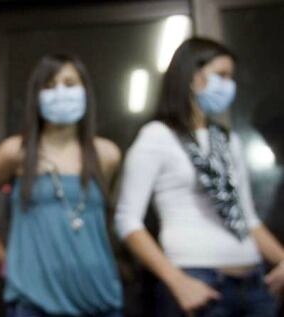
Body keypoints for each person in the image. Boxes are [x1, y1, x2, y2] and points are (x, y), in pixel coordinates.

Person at [114, 38, 284, 317]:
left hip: (254, 284)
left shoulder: (227, 140)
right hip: (197, 280)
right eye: (222, 75)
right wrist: (176, 281)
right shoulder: (157, 136)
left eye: (232, 77)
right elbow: (127, 220)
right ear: (192, 76)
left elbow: (247, 218)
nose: (229, 85)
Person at [0, 54, 123, 317]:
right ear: (36, 95)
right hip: (34, 298)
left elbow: (110, 218)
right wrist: (2, 255)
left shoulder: (107, 155)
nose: (60, 92)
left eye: (70, 83)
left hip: (99, 294)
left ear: (85, 91)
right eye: (49, 85)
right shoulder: (17, 152)